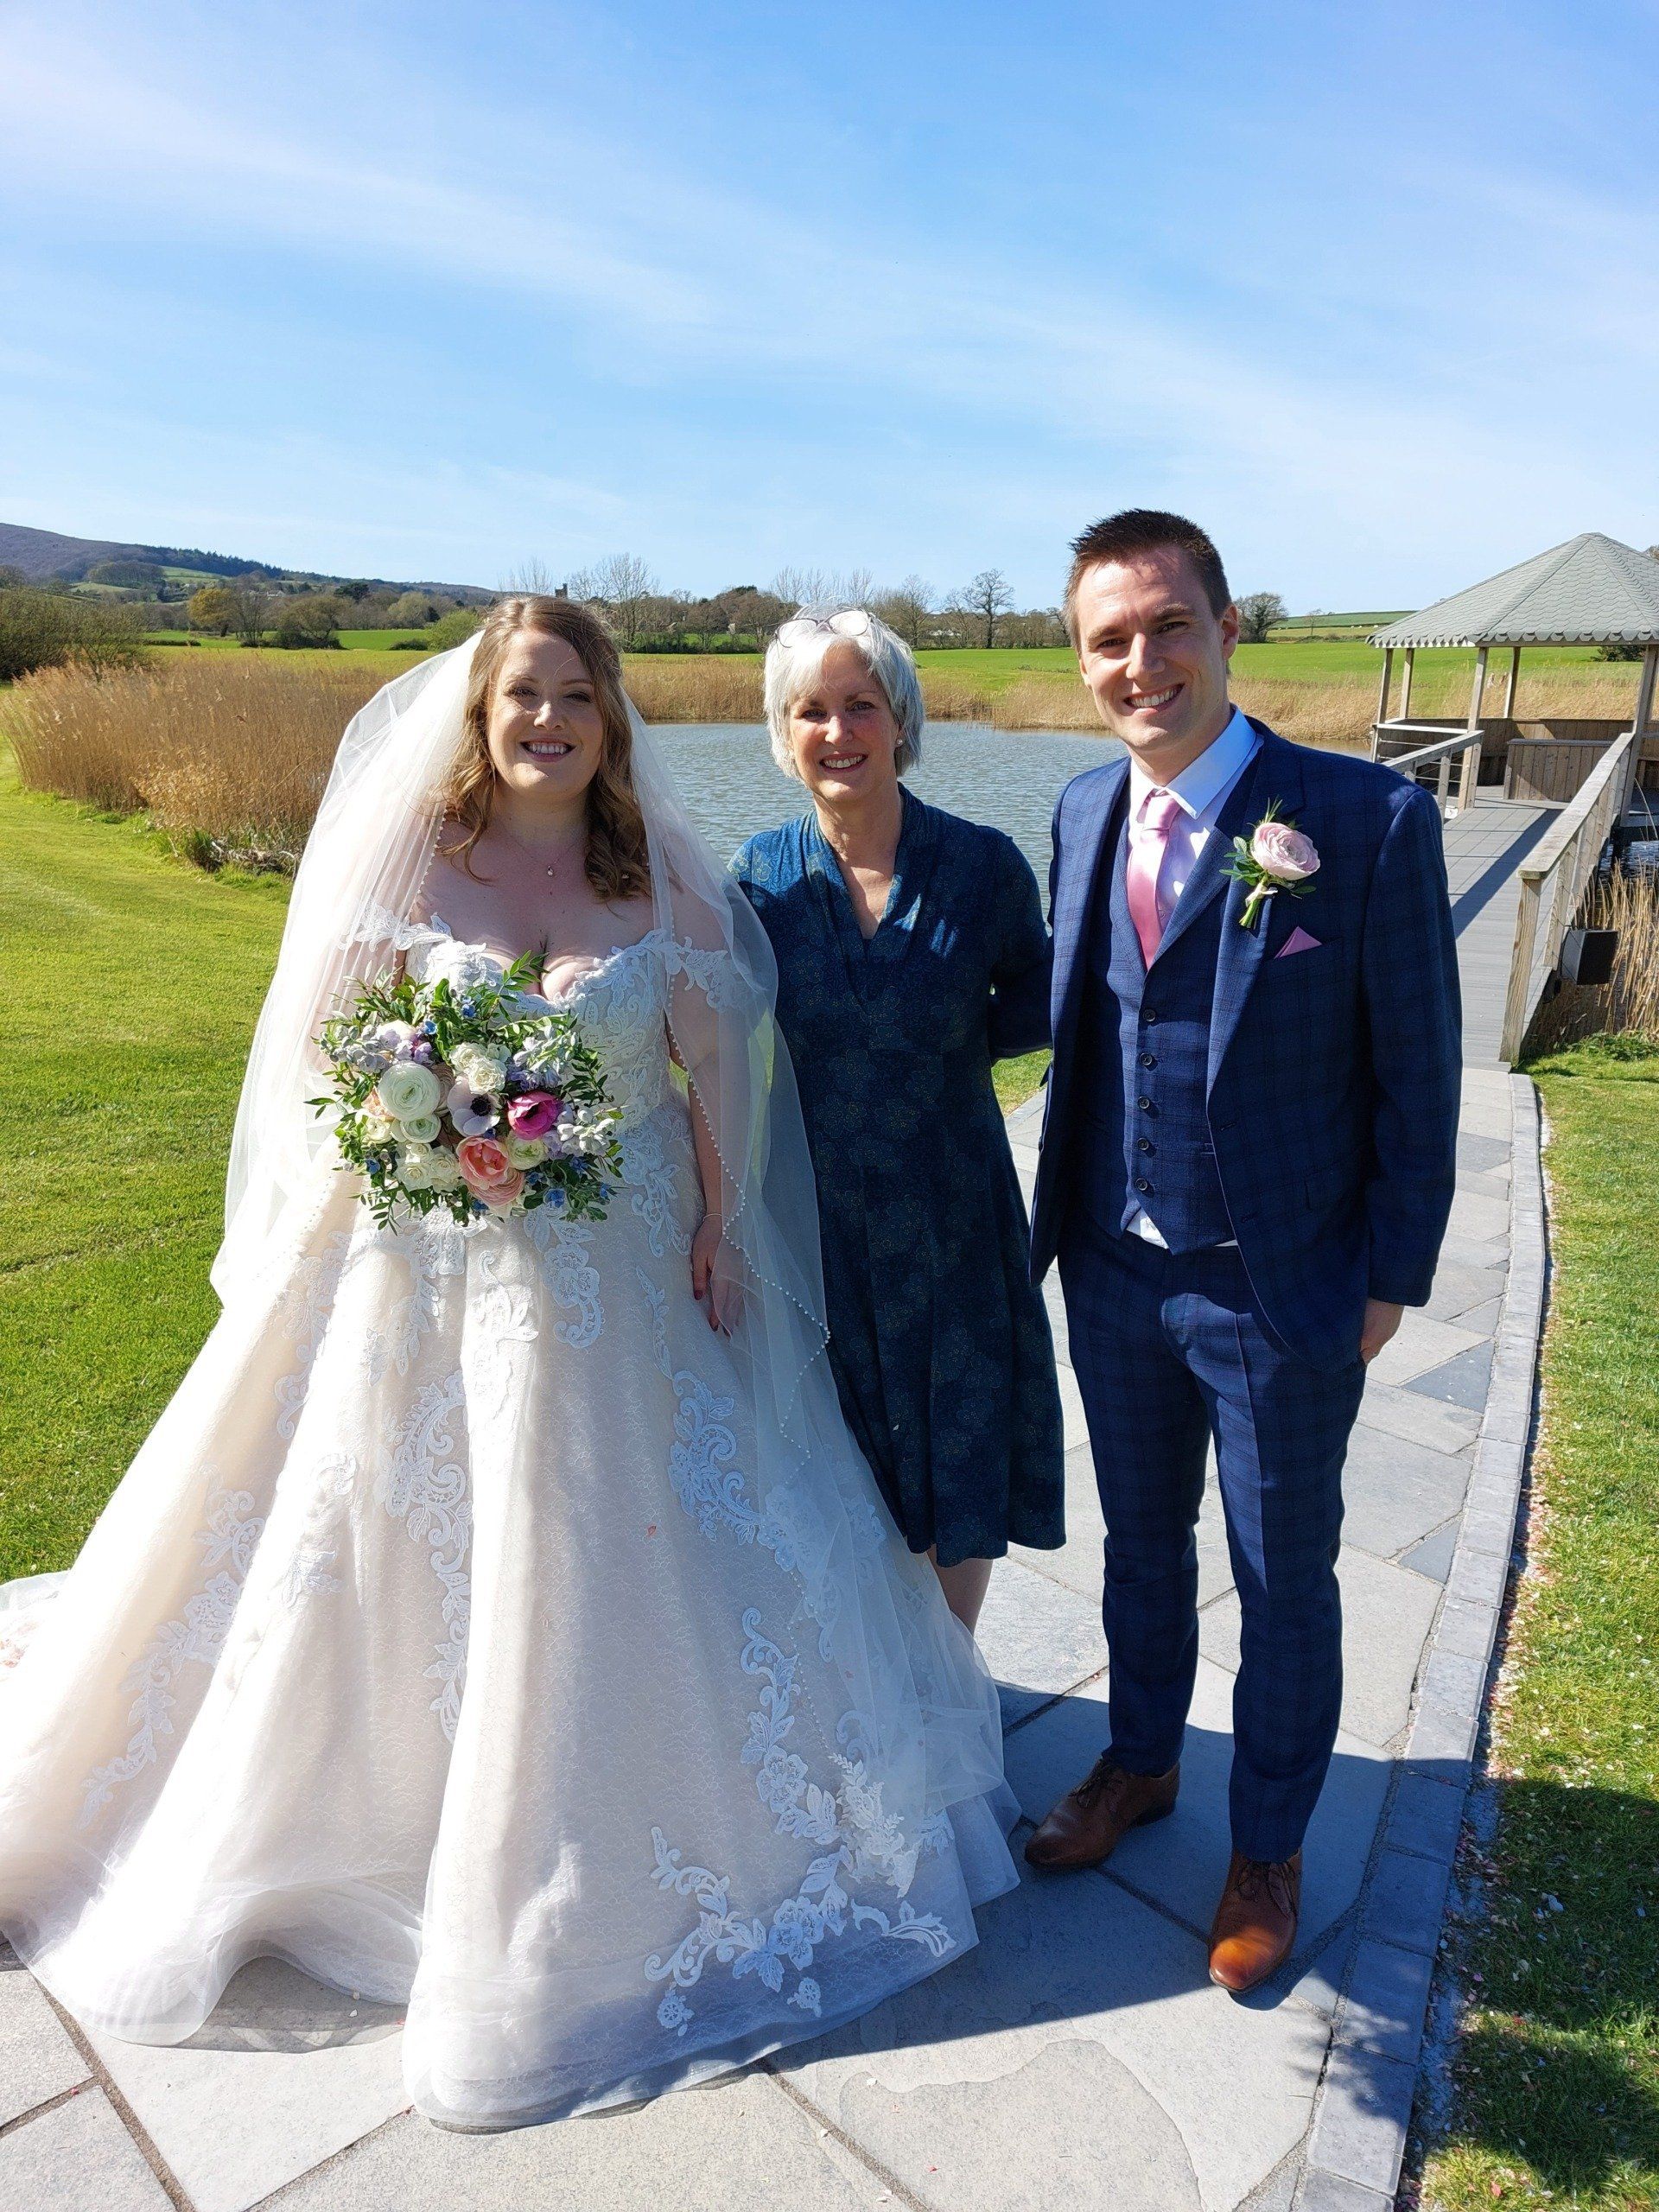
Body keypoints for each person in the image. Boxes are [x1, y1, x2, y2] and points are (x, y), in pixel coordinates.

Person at [0, 597, 1020, 2132]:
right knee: (366, 1549)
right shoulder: (416, 856)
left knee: (614, 1551)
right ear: (479, 716)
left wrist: (727, 1221)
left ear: (611, 722)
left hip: (620, 1280)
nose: (549, 721)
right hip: (417, 1266)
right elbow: (327, 1054)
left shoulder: (658, 866)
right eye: (522, 697)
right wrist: (419, 1126)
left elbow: (717, 1054)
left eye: (577, 700)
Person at [1024, 512, 1459, 1993]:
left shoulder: (1365, 820)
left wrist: (1391, 1278)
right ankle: (1140, 1761)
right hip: (1115, 1268)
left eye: (1166, 627)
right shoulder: (1084, 811)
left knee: (1286, 1578)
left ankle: (1266, 1844)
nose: (1139, 663)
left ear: (1224, 630)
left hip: (1280, 1286)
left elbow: (1418, 1067)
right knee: (1139, 1541)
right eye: (1108, 639)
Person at [732, 609, 1064, 1634]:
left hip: (955, 1213)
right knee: (840, 1466)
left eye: (859, 705)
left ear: (901, 717)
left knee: (961, 1459)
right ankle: (870, 1692)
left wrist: (950, 1040)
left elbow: (1049, 1001)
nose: (838, 732)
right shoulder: (757, 878)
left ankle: (952, 1681)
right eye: (812, 711)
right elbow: (713, 1029)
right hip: (817, 1221)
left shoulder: (984, 867)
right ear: (786, 735)